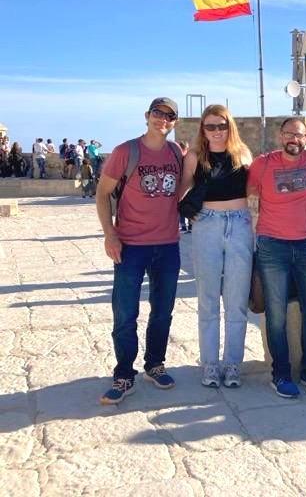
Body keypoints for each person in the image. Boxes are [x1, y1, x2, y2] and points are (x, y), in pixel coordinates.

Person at [95, 97, 183, 404]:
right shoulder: (126, 152)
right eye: (158, 113)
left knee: (162, 312)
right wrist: (110, 234)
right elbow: (102, 194)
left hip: (168, 245)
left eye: (170, 116)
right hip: (131, 245)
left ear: (174, 122)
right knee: (124, 312)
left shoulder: (176, 152)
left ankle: (155, 364)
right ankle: (123, 374)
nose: (163, 119)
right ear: (147, 116)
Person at [248, 117, 306, 398]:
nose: (294, 139)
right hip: (272, 245)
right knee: (276, 313)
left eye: (300, 135)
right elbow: (248, 195)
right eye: (289, 134)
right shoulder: (263, 164)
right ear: (280, 136)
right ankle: (280, 374)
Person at [178, 104, 252, 389]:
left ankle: (233, 364)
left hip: (240, 225)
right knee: (208, 299)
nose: (217, 131)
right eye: (210, 126)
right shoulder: (196, 156)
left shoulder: (243, 153)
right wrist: (185, 213)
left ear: (229, 126)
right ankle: (209, 363)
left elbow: (255, 190)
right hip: (207, 224)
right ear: (203, 129)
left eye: (221, 125)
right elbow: (181, 189)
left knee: (236, 300)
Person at [177, 141, 190, 233]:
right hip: (185, 185)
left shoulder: (185, 158)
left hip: (186, 185)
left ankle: (186, 226)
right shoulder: (184, 158)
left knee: (184, 206)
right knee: (183, 206)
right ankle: (186, 226)